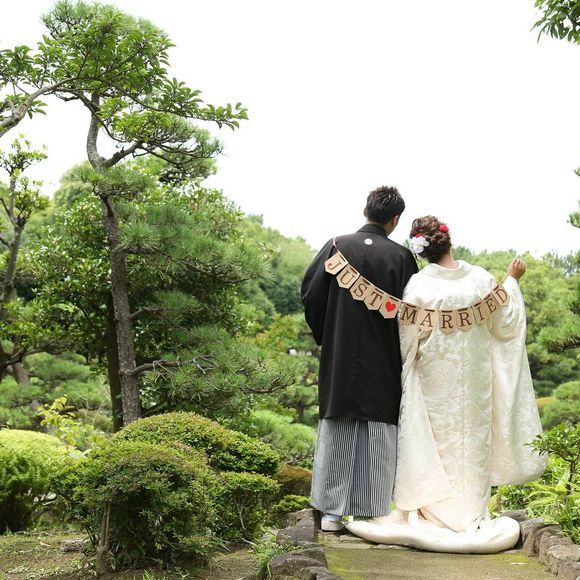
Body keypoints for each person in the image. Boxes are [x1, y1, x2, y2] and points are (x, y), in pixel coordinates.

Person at [347, 215, 547, 553]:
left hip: (433, 378)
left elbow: (409, 336)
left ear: (421, 250)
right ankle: (469, 512)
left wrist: (407, 366)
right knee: (472, 441)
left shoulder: (419, 286)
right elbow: (505, 322)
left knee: (436, 441)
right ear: (448, 241)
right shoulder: (481, 280)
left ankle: (434, 512)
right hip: (476, 380)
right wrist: (512, 280)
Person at [301, 186, 418, 531]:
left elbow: (310, 294)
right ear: (395, 220)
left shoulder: (336, 246)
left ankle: (331, 514)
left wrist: (328, 331)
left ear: (365, 211)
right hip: (383, 356)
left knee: (338, 423)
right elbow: (412, 312)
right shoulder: (401, 257)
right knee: (378, 427)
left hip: (339, 352)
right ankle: (369, 515)